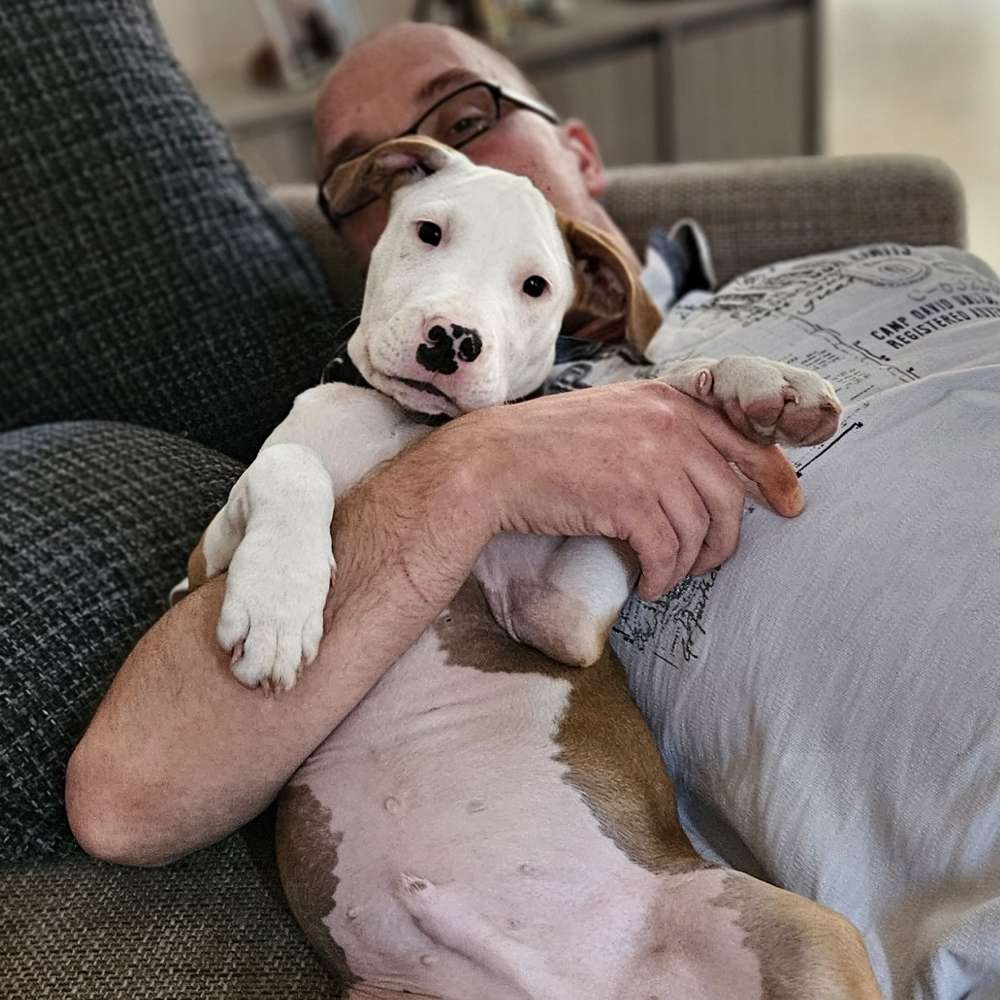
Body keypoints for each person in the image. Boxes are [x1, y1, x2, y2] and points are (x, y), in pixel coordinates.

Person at [63, 21, 801, 866]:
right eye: (418, 221)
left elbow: (566, 615)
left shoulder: (694, 341)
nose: (457, 318)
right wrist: (478, 465)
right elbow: (127, 797)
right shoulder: (348, 418)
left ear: (581, 154)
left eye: (463, 117)